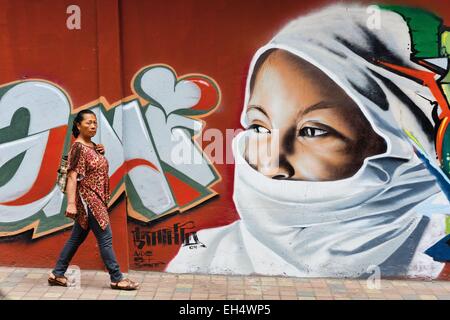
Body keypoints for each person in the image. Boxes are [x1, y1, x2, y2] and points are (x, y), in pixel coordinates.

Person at [166, 4, 450, 278]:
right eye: (259, 127)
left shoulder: (438, 256)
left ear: (402, 144)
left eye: (312, 131)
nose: (271, 165)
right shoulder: (205, 257)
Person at [48, 109, 139, 290]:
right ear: (78, 125)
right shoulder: (78, 148)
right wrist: (72, 204)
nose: (92, 125)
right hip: (89, 199)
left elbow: (94, 168)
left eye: (95, 122)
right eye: (88, 122)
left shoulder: (91, 146)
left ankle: (57, 274)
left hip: (96, 198)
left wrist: (99, 152)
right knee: (105, 237)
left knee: (76, 237)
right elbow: (73, 176)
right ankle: (116, 278)